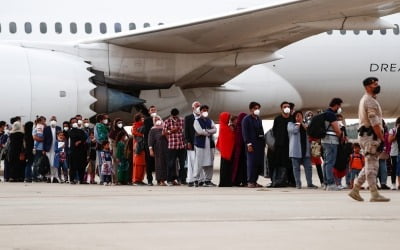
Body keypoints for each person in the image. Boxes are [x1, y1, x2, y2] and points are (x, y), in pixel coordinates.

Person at [348, 77, 390, 202]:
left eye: (377, 83)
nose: (377, 86)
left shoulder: (366, 99)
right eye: (374, 84)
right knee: (372, 165)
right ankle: (374, 194)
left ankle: (355, 190)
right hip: (371, 136)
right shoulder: (370, 101)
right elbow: (374, 123)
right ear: (367, 87)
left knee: (369, 164)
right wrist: (382, 138)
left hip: (368, 136)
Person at [287, 111, 318, 189]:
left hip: (305, 150)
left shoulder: (305, 124)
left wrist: (302, 123)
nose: (299, 117)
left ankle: (310, 184)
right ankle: (298, 184)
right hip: (295, 150)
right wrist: (298, 123)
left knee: (308, 168)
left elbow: (309, 131)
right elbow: (294, 131)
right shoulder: (290, 124)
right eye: (297, 116)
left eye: (300, 115)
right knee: (296, 168)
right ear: (294, 117)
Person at [321, 98, 343, 191]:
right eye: (339, 106)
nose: (339, 108)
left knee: (326, 162)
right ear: (336, 105)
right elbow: (336, 129)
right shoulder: (331, 115)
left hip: (324, 141)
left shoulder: (325, 113)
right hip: (331, 141)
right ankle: (330, 183)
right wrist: (340, 135)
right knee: (330, 162)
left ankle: (326, 183)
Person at [242, 102, 265, 188]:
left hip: (259, 144)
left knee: (259, 164)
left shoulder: (258, 119)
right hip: (251, 145)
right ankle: (250, 181)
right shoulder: (246, 119)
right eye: (255, 108)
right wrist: (249, 144)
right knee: (252, 164)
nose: (257, 110)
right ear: (251, 109)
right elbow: (245, 133)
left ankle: (255, 181)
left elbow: (261, 131)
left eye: (258, 108)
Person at [193, 105, 217, 187]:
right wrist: (209, 131)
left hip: (210, 144)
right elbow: (199, 131)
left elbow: (215, 130)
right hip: (200, 144)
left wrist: (206, 131)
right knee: (199, 162)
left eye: (206, 110)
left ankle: (208, 180)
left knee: (210, 162)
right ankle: (196, 179)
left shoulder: (210, 120)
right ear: (200, 111)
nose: (205, 111)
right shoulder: (197, 121)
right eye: (203, 110)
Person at [271, 101, 293, 187]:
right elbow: (274, 131)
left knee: (289, 164)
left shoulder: (292, 119)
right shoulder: (277, 119)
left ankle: (290, 181)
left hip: (290, 145)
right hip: (279, 146)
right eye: (284, 106)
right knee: (279, 163)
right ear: (281, 108)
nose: (287, 108)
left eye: (288, 106)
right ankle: (279, 181)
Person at [163, 108, 186, 186]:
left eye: (176, 116)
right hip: (172, 145)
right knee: (171, 163)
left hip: (181, 145)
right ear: (172, 115)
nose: (175, 117)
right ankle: (170, 179)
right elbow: (164, 132)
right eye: (174, 116)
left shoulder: (182, 120)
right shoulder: (167, 121)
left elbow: (184, 130)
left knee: (182, 164)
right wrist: (171, 131)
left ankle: (182, 179)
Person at [184, 101, 202, 187]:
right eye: (196, 106)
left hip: (200, 143)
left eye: (199, 106)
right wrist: (188, 142)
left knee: (199, 162)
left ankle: (199, 179)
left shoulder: (202, 118)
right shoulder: (188, 118)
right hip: (191, 143)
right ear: (193, 108)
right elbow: (186, 131)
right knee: (191, 162)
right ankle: (191, 180)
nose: (198, 107)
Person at [305, 111, 324, 187]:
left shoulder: (317, 124)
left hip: (315, 144)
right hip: (307, 145)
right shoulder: (304, 123)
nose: (310, 116)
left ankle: (322, 181)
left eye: (311, 115)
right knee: (307, 164)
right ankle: (309, 183)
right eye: (308, 115)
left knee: (318, 163)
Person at [148, 115, 168, 186]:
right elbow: (150, 141)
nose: (157, 121)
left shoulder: (164, 128)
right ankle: (160, 180)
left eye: (158, 119)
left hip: (166, 148)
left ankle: (166, 179)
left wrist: (165, 134)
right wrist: (151, 150)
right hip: (158, 149)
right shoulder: (152, 129)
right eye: (155, 120)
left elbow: (169, 138)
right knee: (159, 164)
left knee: (166, 164)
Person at [217, 112, 235, 187]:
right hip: (226, 152)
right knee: (226, 168)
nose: (229, 119)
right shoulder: (224, 128)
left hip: (226, 151)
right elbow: (231, 137)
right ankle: (225, 182)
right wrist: (232, 131)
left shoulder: (224, 126)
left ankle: (226, 182)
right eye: (228, 118)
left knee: (226, 168)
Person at [68, 117, 88, 184]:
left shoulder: (81, 130)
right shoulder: (70, 131)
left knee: (82, 166)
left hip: (82, 150)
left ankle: (81, 180)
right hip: (74, 151)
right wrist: (80, 139)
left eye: (75, 121)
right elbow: (74, 136)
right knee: (73, 166)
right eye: (73, 122)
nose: (74, 123)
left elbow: (85, 137)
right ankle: (72, 179)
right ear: (71, 124)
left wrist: (79, 141)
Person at [108, 118, 127, 184]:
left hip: (123, 149)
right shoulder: (112, 132)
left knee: (123, 165)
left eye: (121, 122)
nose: (120, 124)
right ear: (115, 124)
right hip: (115, 148)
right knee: (115, 164)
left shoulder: (123, 131)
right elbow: (110, 142)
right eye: (118, 123)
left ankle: (122, 180)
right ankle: (115, 180)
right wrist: (111, 150)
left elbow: (127, 138)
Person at [43, 116, 61, 183]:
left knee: (55, 163)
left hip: (56, 149)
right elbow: (44, 140)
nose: (53, 120)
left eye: (54, 119)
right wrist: (43, 149)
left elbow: (61, 139)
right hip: (48, 149)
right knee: (49, 163)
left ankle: (55, 177)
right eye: (52, 119)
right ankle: (48, 177)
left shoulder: (59, 128)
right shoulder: (46, 129)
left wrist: (60, 149)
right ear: (50, 121)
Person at [231, 113, 248, 187]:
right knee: (241, 167)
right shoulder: (239, 128)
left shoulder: (238, 127)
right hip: (240, 152)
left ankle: (239, 181)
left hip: (240, 151)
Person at [143, 106, 157, 185]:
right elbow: (147, 132)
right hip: (149, 143)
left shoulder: (159, 119)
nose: (153, 111)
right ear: (149, 112)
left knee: (158, 162)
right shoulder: (147, 120)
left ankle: (159, 179)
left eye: (154, 110)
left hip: (157, 144)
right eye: (152, 110)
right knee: (149, 162)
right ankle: (149, 180)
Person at [132, 113, 147, 186]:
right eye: (142, 118)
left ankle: (140, 179)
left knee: (143, 164)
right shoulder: (135, 125)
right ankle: (136, 179)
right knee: (138, 164)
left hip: (142, 146)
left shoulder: (144, 125)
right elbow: (134, 132)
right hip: (138, 146)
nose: (143, 119)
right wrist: (142, 135)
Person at [94, 114, 109, 184]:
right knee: (101, 163)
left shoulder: (103, 126)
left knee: (104, 163)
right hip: (101, 147)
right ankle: (102, 178)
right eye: (104, 119)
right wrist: (103, 144)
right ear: (101, 120)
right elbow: (98, 137)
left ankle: (104, 178)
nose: (106, 120)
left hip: (104, 146)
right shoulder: (98, 126)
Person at [32, 116, 46, 181]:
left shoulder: (44, 128)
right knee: (36, 163)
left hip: (43, 149)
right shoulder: (36, 129)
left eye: (44, 121)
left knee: (41, 164)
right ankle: (35, 176)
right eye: (43, 121)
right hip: (38, 148)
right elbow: (35, 137)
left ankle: (40, 176)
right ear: (39, 121)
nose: (44, 122)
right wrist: (43, 139)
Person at [388, 117, 400, 190]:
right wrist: (397, 134)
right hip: (394, 152)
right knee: (394, 168)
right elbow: (390, 140)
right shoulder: (393, 130)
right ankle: (393, 184)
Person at [378, 120, 390, 190]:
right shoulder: (385, 129)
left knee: (374, 167)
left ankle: (374, 183)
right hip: (384, 149)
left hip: (376, 148)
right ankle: (383, 183)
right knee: (383, 165)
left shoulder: (375, 127)